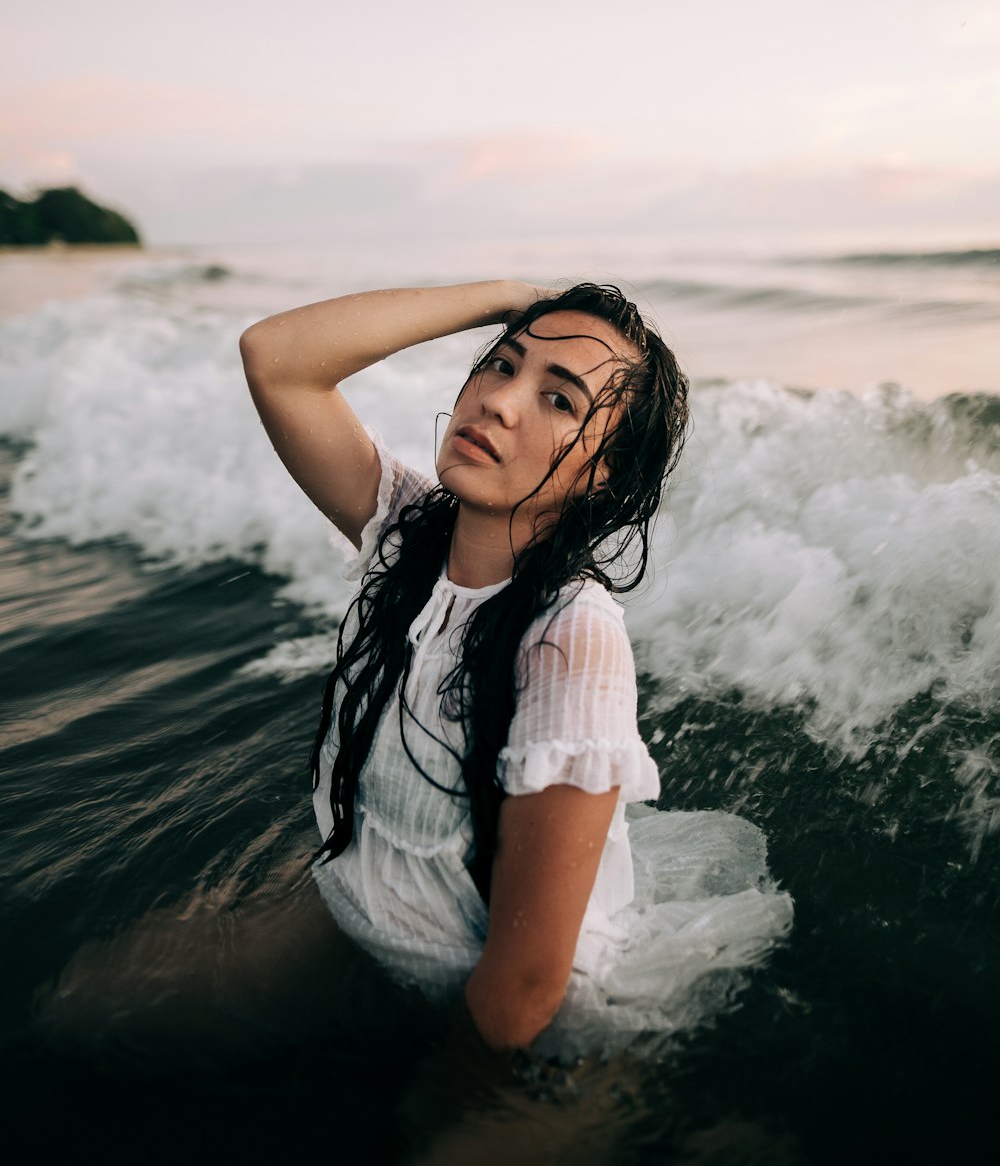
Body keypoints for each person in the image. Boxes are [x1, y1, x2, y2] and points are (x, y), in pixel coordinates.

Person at [239, 280, 792, 1056]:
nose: (499, 402)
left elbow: (523, 994)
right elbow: (276, 360)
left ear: (604, 473)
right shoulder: (409, 532)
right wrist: (505, 296)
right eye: (500, 365)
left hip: (520, 1034)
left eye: (559, 401)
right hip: (357, 911)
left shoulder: (568, 638)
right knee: (78, 1009)